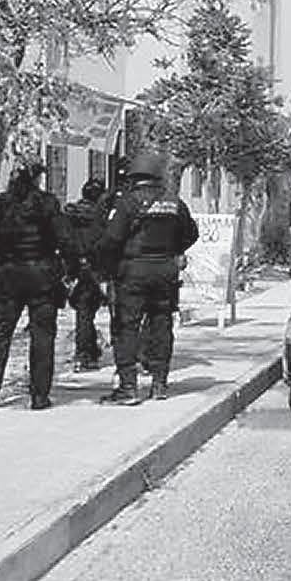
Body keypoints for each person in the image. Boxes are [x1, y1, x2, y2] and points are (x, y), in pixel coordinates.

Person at [0, 159, 75, 412]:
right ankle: (39, 395)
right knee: (42, 335)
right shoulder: (47, 204)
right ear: (38, 178)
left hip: (7, 275)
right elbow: (65, 239)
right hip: (43, 276)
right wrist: (71, 271)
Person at [98, 148, 200, 405]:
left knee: (127, 327)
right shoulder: (174, 203)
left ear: (135, 176)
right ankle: (159, 384)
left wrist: (104, 269)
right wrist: (173, 250)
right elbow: (191, 234)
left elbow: (111, 239)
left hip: (133, 272)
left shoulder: (128, 202)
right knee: (161, 326)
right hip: (165, 272)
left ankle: (128, 387)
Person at [62, 177, 111, 372]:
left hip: (76, 266)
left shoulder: (70, 215)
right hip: (97, 268)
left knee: (83, 311)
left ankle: (86, 351)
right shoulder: (103, 217)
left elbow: (64, 240)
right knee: (91, 312)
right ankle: (87, 352)